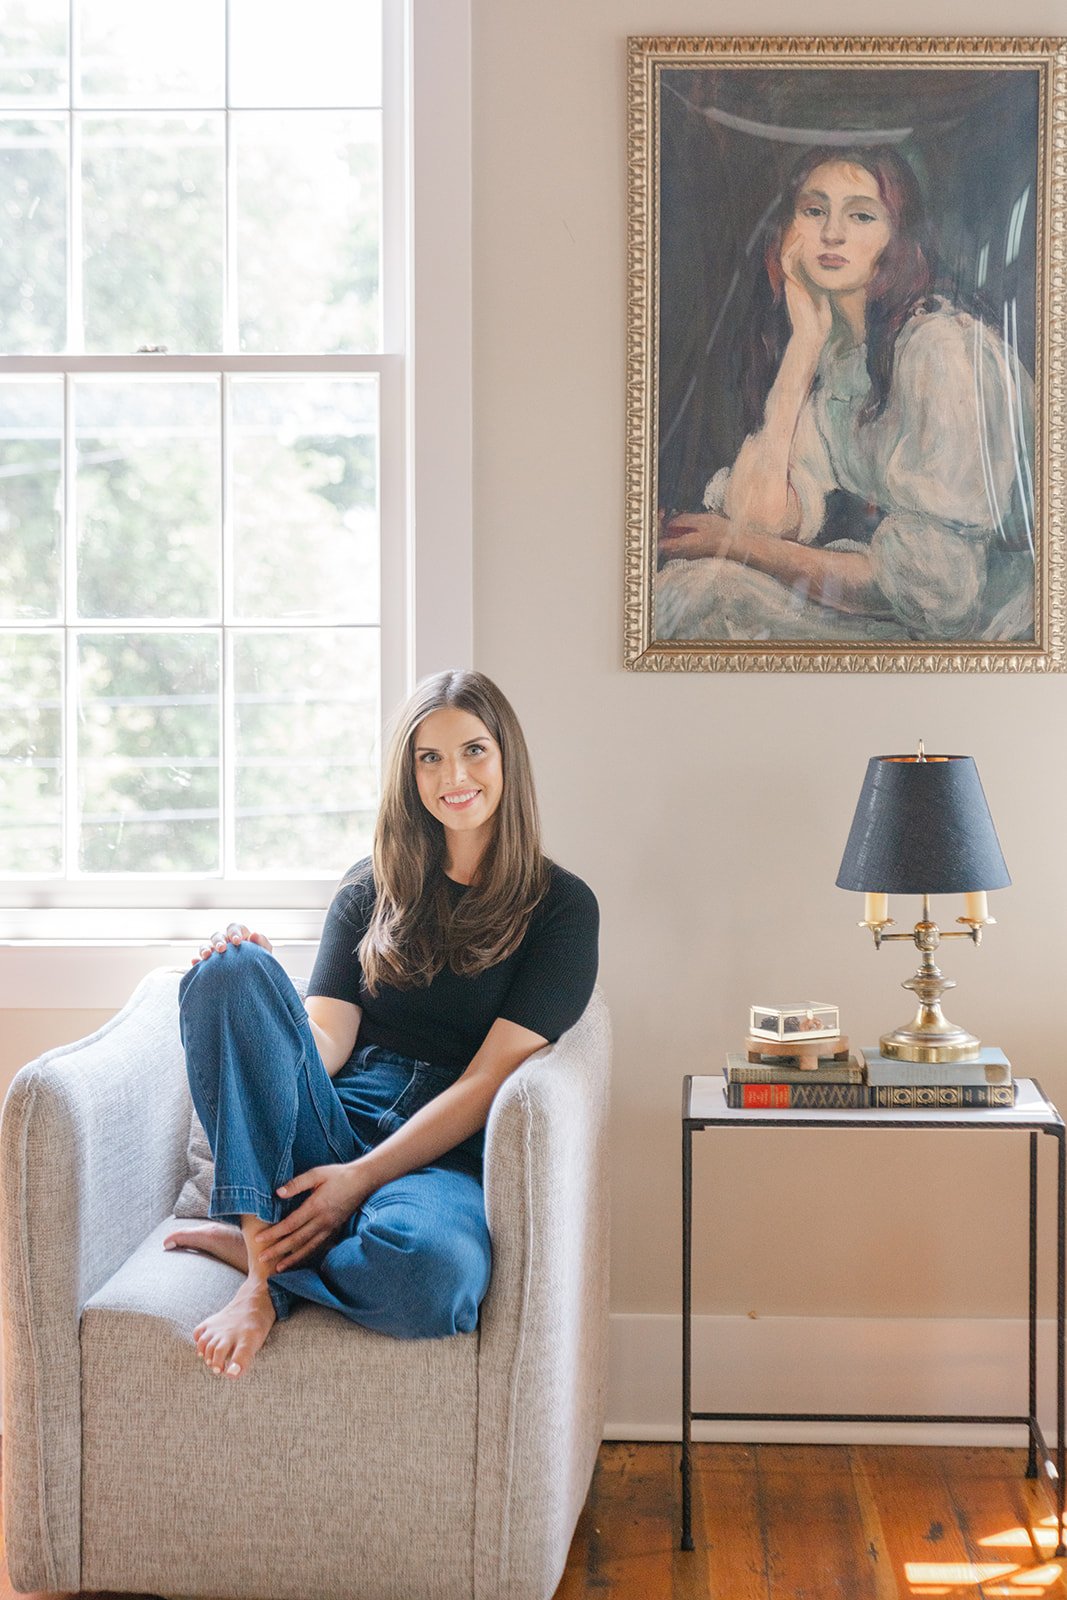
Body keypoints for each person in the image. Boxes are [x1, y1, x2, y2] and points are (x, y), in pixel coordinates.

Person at [163, 669, 599, 1379]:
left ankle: (261, 1252)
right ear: (409, 774)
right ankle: (262, 1273)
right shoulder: (369, 887)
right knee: (228, 969)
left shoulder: (561, 909)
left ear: (506, 759)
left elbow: (490, 1080)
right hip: (339, 1112)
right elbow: (327, 1041)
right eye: (429, 758)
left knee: (432, 1279)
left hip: (442, 1152)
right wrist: (262, 1002)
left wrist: (357, 1182)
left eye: (473, 751)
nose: (452, 775)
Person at [657, 144, 1035, 644]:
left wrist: (737, 546)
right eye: (814, 211)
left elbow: (941, 595)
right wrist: (803, 347)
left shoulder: (940, 350)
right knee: (697, 587)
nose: (831, 233)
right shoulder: (839, 356)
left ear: (897, 236)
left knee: (705, 593)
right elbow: (762, 517)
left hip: (998, 627)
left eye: (861, 215)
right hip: (913, 607)